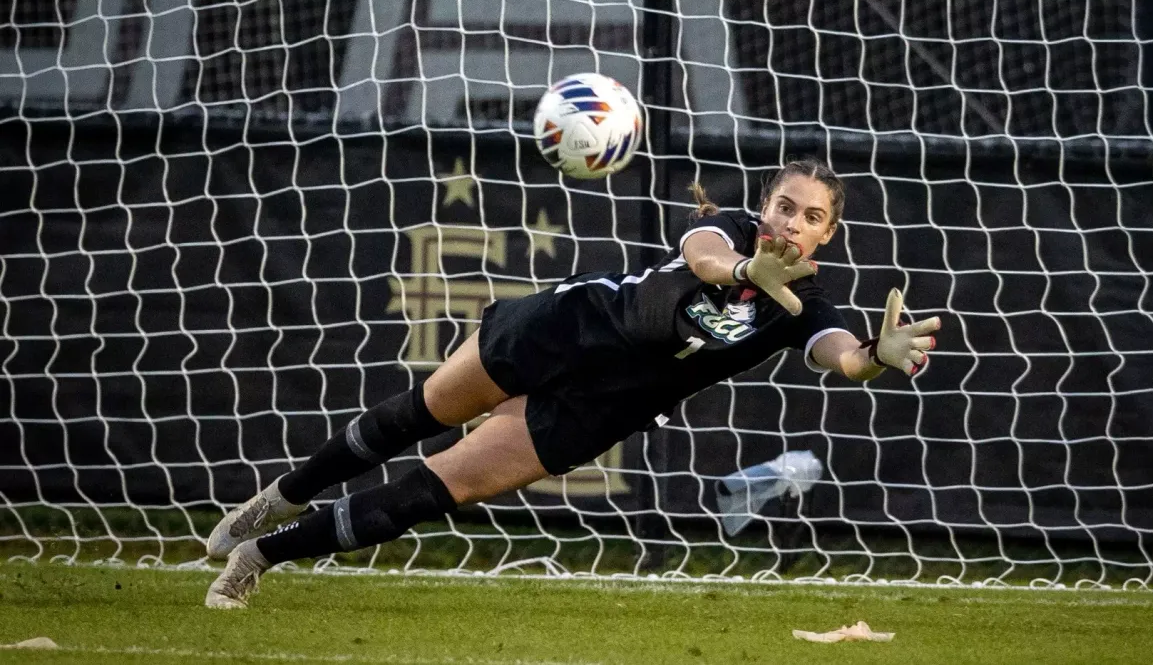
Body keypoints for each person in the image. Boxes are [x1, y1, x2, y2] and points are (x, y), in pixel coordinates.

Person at [203, 157, 941, 608]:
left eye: (811, 216)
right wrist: (748, 268)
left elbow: (842, 355)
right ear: (765, 206)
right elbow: (709, 260)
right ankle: (276, 500)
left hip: (602, 407)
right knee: (407, 416)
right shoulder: (728, 235)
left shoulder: (805, 308)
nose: (792, 222)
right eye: (785, 205)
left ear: (827, 234)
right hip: (562, 331)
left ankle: (257, 557)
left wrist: (880, 350)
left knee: (429, 492)